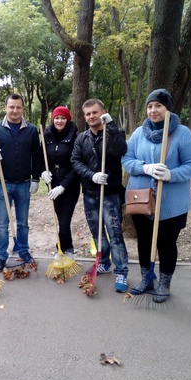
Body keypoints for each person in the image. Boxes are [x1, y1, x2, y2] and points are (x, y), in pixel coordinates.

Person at [122, 88, 191, 303]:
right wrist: (144, 167)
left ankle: (164, 283)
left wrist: (170, 174)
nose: (153, 110)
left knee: (166, 243)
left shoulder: (182, 133)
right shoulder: (139, 133)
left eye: (158, 105)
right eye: (150, 106)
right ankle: (147, 278)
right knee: (144, 241)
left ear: (168, 108)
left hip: (171, 203)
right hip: (142, 201)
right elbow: (126, 159)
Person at [71, 98, 129, 292]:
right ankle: (103, 261)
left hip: (111, 194)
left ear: (102, 111)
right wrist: (92, 175)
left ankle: (121, 270)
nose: (90, 117)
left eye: (94, 112)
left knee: (115, 233)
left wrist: (110, 125)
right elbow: (75, 161)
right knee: (96, 232)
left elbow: (122, 149)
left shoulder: (114, 133)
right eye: (87, 114)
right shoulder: (82, 138)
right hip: (90, 193)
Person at [0, 94, 41, 272]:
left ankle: (23, 250)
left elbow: (37, 156)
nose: (15, 111)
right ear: (6, 107)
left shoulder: (31, 130)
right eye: (11, 107)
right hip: (3, 183)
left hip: (24, 184)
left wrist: (35, 178)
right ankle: (1, 256)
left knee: (23, 222)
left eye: (18, 107)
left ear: (23, 108)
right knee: (2, 223)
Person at [41, 106, 80, 258]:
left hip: (70, 184)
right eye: (57, 118)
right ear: (53, 119)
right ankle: (68, 248)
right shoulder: (47, 135)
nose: (59, 121)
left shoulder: (75, 136)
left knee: (64, 220)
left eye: (63, 118)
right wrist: (43, 171)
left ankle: (62, 250)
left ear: (67, 119)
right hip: (52, 182)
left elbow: (76, 165)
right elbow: (41, 157)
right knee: (60, 220)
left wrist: (63, 186)